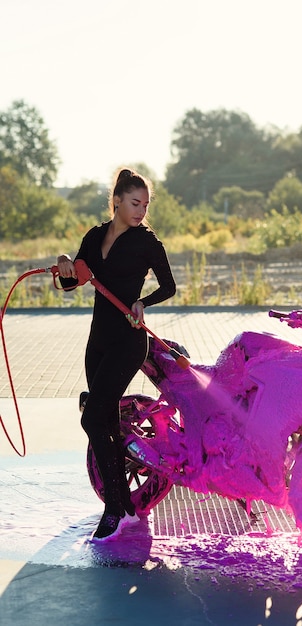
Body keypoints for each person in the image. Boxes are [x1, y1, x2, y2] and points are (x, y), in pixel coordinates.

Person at [57, 168, 176, 541]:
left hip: (128, 340)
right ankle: (124, 507)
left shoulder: (146, 241)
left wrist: (143, 302)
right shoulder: (94, 237)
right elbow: (71, 281)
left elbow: (169, 286)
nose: (141, 210)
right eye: (134, 203)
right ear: (117, 201)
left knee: (92, 418)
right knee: (105, 422)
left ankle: (114, 508)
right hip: (99, 341)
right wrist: (63, 264)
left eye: (145, 204)